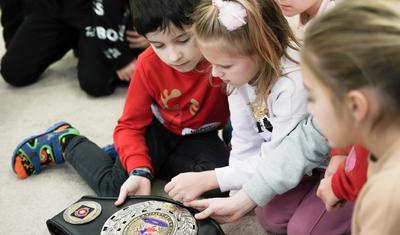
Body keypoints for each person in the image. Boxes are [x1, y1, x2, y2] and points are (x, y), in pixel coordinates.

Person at [11, 0, 230, 206]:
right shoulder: (148, 64)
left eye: (183, 40)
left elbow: (245, 115)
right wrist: (139, 169)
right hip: (157, 129)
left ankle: (127, 155)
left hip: (200, 134)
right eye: (158, 44)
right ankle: (66, 142)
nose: (174, 56)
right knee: (117, 188)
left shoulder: (226, 58)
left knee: (222, 186)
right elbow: (130, 125)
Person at [166, 0, 352, 234]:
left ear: (262, 49)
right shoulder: (237, 76)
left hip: (331, 161)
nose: (214, 73)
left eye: (224, 65)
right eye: (211, 63)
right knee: (269, 217)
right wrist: (238, 195)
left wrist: (215, 179)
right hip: (299, 160)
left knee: (304, 229)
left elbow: (285, 152)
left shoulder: (294, 84)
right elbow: (245, 140)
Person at [301, 1, 400, 234]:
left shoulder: (386, 199)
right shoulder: (383, 142)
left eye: (313, 96)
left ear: (355, 105)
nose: (310, 108)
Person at [1, 0, 147, 97]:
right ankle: (75, 42)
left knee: (96, 83)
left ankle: (85, 44)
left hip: (95, 13)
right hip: (52, 8)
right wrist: (13, 39)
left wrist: (153, 26)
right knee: (13, 72)